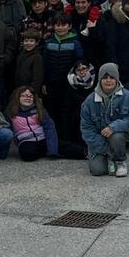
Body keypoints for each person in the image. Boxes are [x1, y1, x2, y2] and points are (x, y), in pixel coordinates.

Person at [81, 63, 129, 176]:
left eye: (112, 77)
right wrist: (105, 149)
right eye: (105, 78)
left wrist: (113, 127)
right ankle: (108, 157)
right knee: (97, 171)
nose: (108, 81)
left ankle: (120, 161)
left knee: (116, 136)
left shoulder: (128, 96)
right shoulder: (89, 101)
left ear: (117, 79)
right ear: (100, 80)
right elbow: (86, 130)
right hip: (98, 140)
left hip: (117, 135)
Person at [43, 10, 86, 157]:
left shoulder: (75, 42)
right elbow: (45, 64)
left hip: (69, 85)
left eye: (63, 25)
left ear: (69, 26)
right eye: (57, 25)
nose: (60, 28)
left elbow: (80, 62)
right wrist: (44, 82)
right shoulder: (49, 42)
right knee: (53, 112)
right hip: (51, 84)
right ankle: (55, 143)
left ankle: (70, 143)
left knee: (67, 113)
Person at [8, 86, 51, 161]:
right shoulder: (11, 112)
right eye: (24, 96)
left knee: (69, 148)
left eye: (31, 96)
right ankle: (45, 151)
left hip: (43, 138)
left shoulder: (40, 110)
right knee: (27, 154)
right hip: (26, 140)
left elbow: (50, 127)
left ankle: (47, 151)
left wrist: (53, 150)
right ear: (17, 97)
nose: (28, 98)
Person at [66, 0, 103, 65]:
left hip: (92, 61)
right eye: (78, 2)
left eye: (83, 2)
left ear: (89, 3)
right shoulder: (69, 18)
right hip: (73, 61)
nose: (80, 5)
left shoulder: (97, 18)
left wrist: (92, 30)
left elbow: (100, 42)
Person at [14, 29, 45, 94]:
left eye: (31, 41)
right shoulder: (20, 54)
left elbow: (37, 78)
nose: (28, 43)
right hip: (20, 88)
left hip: (30, 90)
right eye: (26, 41)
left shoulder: (37, 57)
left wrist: (32, 92)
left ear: (36, 43)